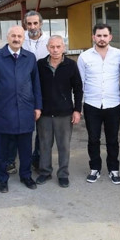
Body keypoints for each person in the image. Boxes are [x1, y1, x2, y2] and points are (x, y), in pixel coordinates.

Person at [0, 25, 42, 193]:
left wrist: (38, 106)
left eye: (19, 36)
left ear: (23, 39)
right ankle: (3, 179)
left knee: (25, 148)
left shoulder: (30, 58)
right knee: (2, 149)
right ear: (7, 38)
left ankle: (26, 176)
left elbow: (36, 84)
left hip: (25, 109)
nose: (16, 39)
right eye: (13, 36)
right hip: (4, 110)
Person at [76, 23, 120, 184]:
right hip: (91, 104)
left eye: (105, 36)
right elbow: (80, 82)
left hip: (113, 103)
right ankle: (94, 168)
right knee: (93, 138)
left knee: (112, 139)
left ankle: (113, 170)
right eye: (99, 35)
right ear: (93, 37)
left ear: (110, 37)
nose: (102, 39)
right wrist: (79, 106)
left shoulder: (119, 55)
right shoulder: (84, 57)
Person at [35, 35, 83, 188]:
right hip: (45, 114)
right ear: (47, 48)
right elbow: (34, 89)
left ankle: (63, 174)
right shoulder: (40, 65)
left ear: (63, 47)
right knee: (44, 145)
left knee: (64, 146)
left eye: (58, 46)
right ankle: (45, 172)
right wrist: (36, 108)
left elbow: (78, 89)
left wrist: (77, 110)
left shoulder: (71, 65)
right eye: (52, 47)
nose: (55, 50)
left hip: (64, 113)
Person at [22, 11, 49, 172]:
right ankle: (12, 161)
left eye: (35, 23)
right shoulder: (20, 39)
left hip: (44, 91)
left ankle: (37, 160)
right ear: (25, 25)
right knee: (21, 128)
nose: (32, 27)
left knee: (42, 130)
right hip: (24, 91)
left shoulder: (49, 41)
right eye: (29, 24)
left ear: (41, 24)